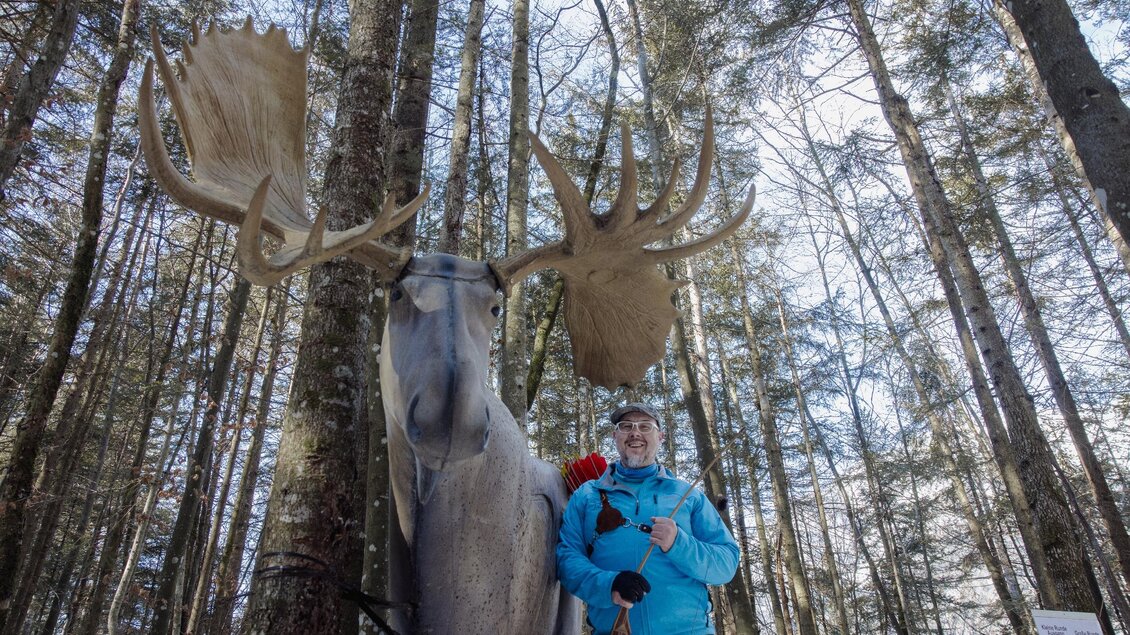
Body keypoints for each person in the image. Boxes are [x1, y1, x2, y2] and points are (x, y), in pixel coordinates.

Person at [557, 402, 740, 634]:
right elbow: (566, 558)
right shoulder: (586, 495)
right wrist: (608, 585)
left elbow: (726, 563)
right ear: (615, 436)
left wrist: (679, 544)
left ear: (660, 437)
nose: (635, 432)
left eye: (645, 426)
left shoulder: (688, 495)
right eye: (626, 426)